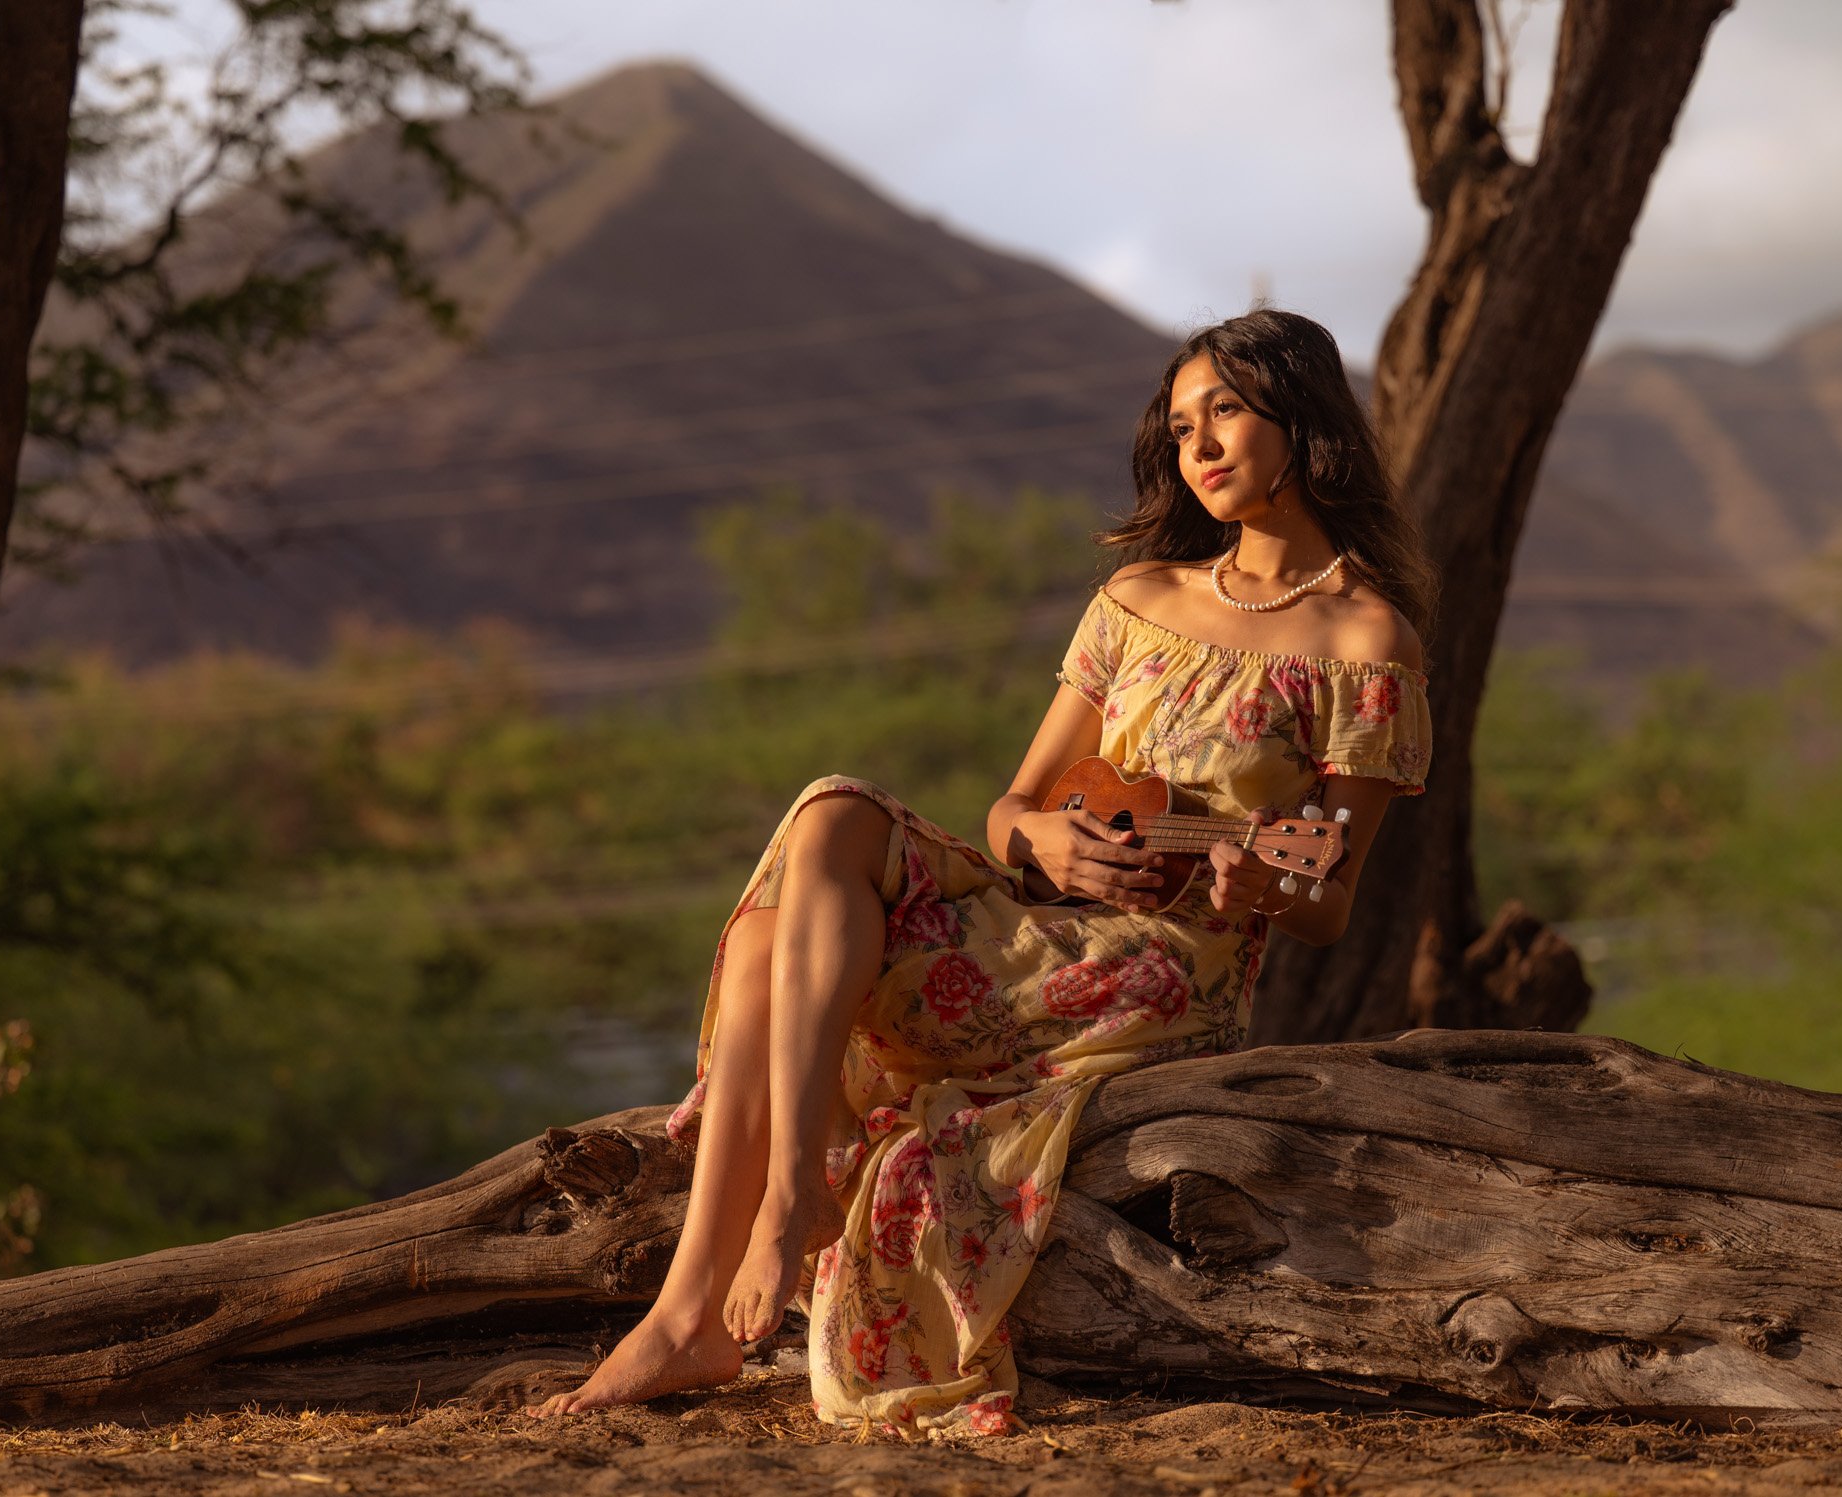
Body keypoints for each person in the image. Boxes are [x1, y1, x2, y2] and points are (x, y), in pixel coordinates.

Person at [526, 306, 1438, 1434]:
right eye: (1183, 421)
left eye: (1230, 413)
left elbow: (1328, 903)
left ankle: (695, 1310)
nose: (1199, 445)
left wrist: (1262, 888)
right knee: (833, 812)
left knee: (772, 942)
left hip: (1158, 981)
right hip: (1040, 921)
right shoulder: (1139, 599)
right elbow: (1011, 810)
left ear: (1302, 419)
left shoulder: (1366, 645)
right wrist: (1047, 839)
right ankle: (772, 1212)